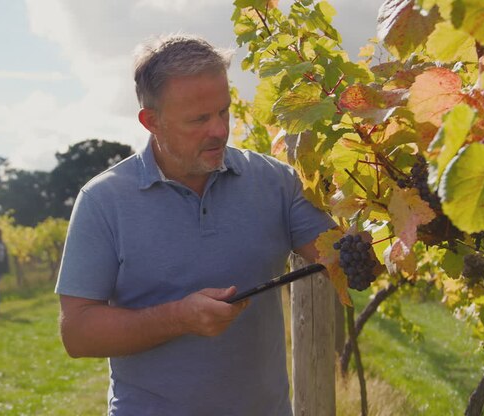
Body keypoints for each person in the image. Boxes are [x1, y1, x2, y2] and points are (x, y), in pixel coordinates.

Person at [55, 34, 336, 415]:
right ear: (151, 121)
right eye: (199, 119)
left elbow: (342, 259)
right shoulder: (103, 201)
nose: (219, 130)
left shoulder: (276, 182)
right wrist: (178, 318)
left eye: (224, 111)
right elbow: (78, 333)